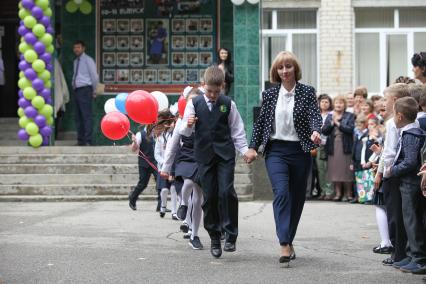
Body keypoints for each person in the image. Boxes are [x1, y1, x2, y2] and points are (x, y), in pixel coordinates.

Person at [248, 51, 322, 265]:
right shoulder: (270, 94)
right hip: (276, 151)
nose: (284, 71)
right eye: (280, 67)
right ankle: (283, 243)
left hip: (300, 151)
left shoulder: (307, 92)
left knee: (297, 199)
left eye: (288, 66)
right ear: (276, 71)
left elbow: (314, 115)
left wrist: (316, 130)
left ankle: (289, 240)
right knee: (281, 193)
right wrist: (253, 147)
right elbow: (261, 123)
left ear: (295, 69)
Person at [180, 66, 255, 259]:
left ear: (222, 86)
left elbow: (237, 130)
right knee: (210, 196)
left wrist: (244, 150)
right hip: (204, 156)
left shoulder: (228, 103)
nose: (213, 95)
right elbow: (184, 132)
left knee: (226, 191)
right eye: (209, 91)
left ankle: (231, 234)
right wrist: (188, 124)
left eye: (217, 91)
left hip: (225, 156)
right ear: (203, 85)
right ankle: (214, 236)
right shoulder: (194, 103)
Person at [160, 86, 205, 250]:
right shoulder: (180, 120)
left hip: (202, 156)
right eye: (190, 101)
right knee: (188, 183)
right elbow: (172, 146)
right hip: (187, 155)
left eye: (196, 101)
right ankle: (183, 203)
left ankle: (194, 235)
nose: (193, 104)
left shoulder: (206, 116)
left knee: (198, 197)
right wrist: (166, 167)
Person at [374, 83, 411, 267]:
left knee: (394, 215)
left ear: (395, 100)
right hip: (404, 172)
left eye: (385, 98)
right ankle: (403, 252)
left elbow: (388, 152)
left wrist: (382, 172)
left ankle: (398, 254)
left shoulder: (391, 123)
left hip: (392, 173)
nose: (383, 102)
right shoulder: (407, 120)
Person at [387, 97, 426, 274]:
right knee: (410, 220)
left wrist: (392, 170)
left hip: (410, 183)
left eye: (394, 113)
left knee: (412, 220)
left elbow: (410, 162)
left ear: (400, 116)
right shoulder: (411, 131)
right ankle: (411, 255)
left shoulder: (411, 134)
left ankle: (418, 258)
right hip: (409, 182)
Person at [322, 95, 355, 202]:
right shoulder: (329, 115)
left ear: (344, 105)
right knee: (335, 170)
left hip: (345, 146)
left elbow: (350, 129)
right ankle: (338, 193)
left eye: (341, 103)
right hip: (333, 146)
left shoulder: (350, 115)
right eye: (336, 103)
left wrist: (338, 123)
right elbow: (325, 131)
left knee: (346, 171)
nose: (338, 105)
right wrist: (332, 123)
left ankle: (348, 193)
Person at [72, 40, 99, 146]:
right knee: (78, 117)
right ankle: (80, 140)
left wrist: (95, 90)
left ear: (83, 48)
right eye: (75, 47)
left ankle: (88, 140)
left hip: (85, 90)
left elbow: (94, 76)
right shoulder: (75, 61)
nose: (76, 49)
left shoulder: (88, 60)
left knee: (86, 116)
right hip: (77, 90)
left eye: (78, 47)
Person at [128, 125, 158, 211]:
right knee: (143, 183)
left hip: (156, 162)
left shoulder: (158, 133)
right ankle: (132, 198)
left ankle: (161, 206)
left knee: (160, 183)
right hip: (144, 163)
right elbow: (134, 149)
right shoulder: (140, 134)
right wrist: (135, 142)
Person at [316, 94, 333, 200]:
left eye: (326, 102)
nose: (324, 103)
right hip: (318, 145)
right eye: (322, 101)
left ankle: (329, 191)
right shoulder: (316, 114)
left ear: (330, 104)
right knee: (320, 169)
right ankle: (322, 190)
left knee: (329, 169)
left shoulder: (332, 115)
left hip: (329, 144)